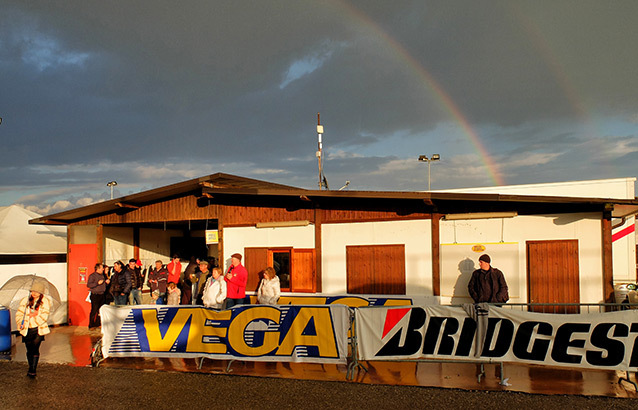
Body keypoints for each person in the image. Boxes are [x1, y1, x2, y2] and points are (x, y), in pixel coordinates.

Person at [15, 282, 50, 378]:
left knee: (35, 349)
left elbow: (44, 316)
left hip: (38, 329)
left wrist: (33, 320)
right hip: (26, 329)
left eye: (37, 292)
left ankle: (33, 370)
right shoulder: (25, 300)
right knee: (29, 349)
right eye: (32, 291)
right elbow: (19, 313)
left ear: (41, 293)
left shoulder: (45, 301)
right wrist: (21, 321)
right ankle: (30, 366)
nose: (34, 293)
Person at [87, 262, 110, 328]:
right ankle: (91, 324)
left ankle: (98, 323)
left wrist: (106, 283)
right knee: (94, 310)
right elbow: (89, 285)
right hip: (95, 295)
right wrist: (97, 283)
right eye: (102, 268)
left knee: (100, 310)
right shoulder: (92, 276)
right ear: (98, 269)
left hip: (102, 294)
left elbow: (103, 284)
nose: (103, 269)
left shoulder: (102, 275)